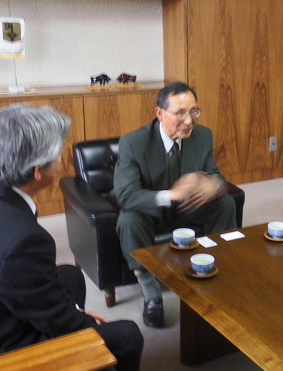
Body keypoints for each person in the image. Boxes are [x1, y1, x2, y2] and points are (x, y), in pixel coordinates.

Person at [0, 104, 143, 371]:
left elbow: (28, 283)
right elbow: (60, 320)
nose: (62, 159)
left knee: (71, 276)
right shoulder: (24, 240)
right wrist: (84, 323)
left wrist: (74, 314)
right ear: (38, 171)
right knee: (127, 335)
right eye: (59, 153)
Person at [114, 82, 236, 328]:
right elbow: (125, 195)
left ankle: (216, 277)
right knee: (128, 219)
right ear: (160, 113)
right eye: (180, 113)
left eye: (193, 112)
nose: (189, 121)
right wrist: (170, 195)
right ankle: (152, 294)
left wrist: (213, 185)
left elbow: (216, 175)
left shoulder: (203, 136)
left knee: (225, 202)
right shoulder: (133, 143)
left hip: (187, 209)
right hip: (152, 211)